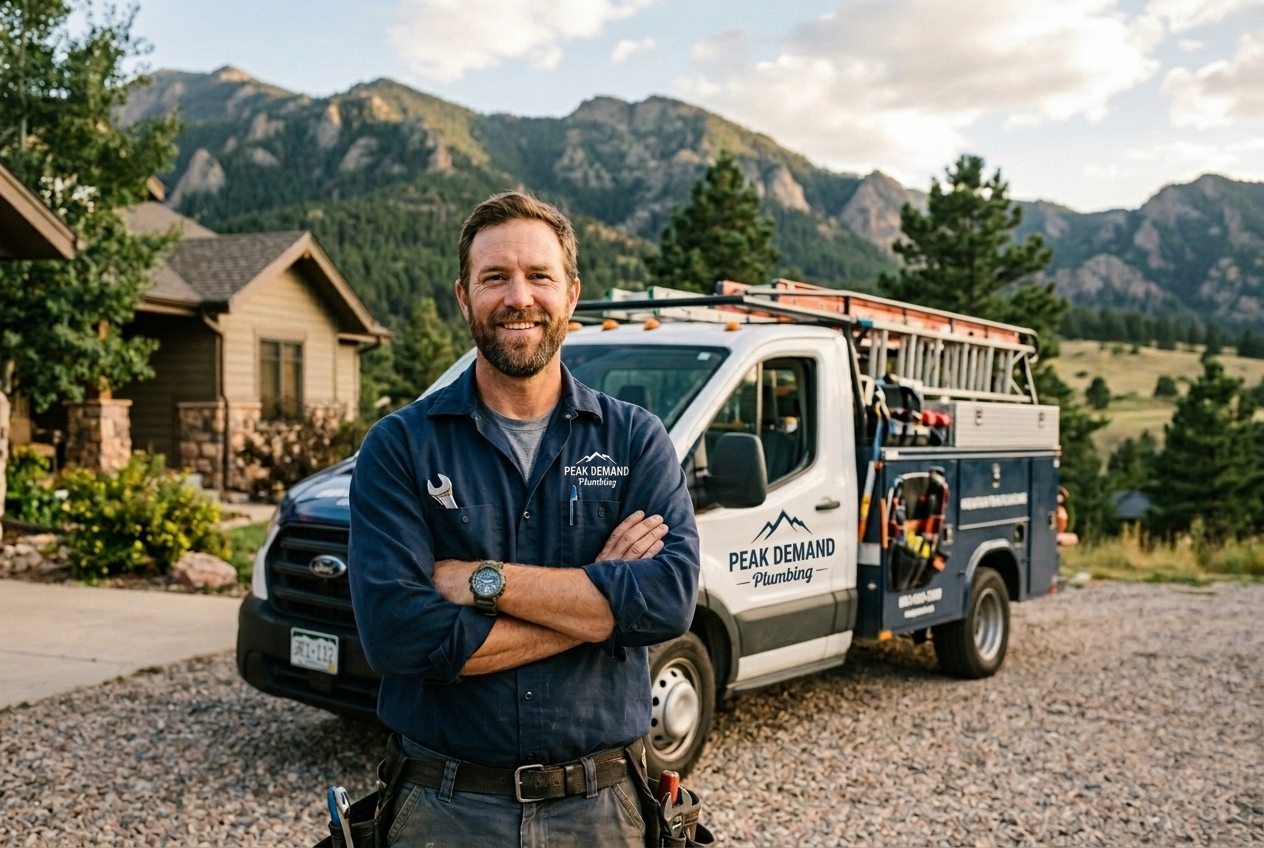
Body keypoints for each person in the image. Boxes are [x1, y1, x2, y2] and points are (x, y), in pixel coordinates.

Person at [348, 191, 700, 847]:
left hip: (604, 808)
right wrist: (601, 599)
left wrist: (486, 580)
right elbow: (399, 636)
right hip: (443, 807)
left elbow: (668, 602)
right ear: (464, 297)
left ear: (571, 294)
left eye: (539, 276)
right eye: (495, 278)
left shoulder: (635, 440)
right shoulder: (398, 446)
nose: (519, 298)